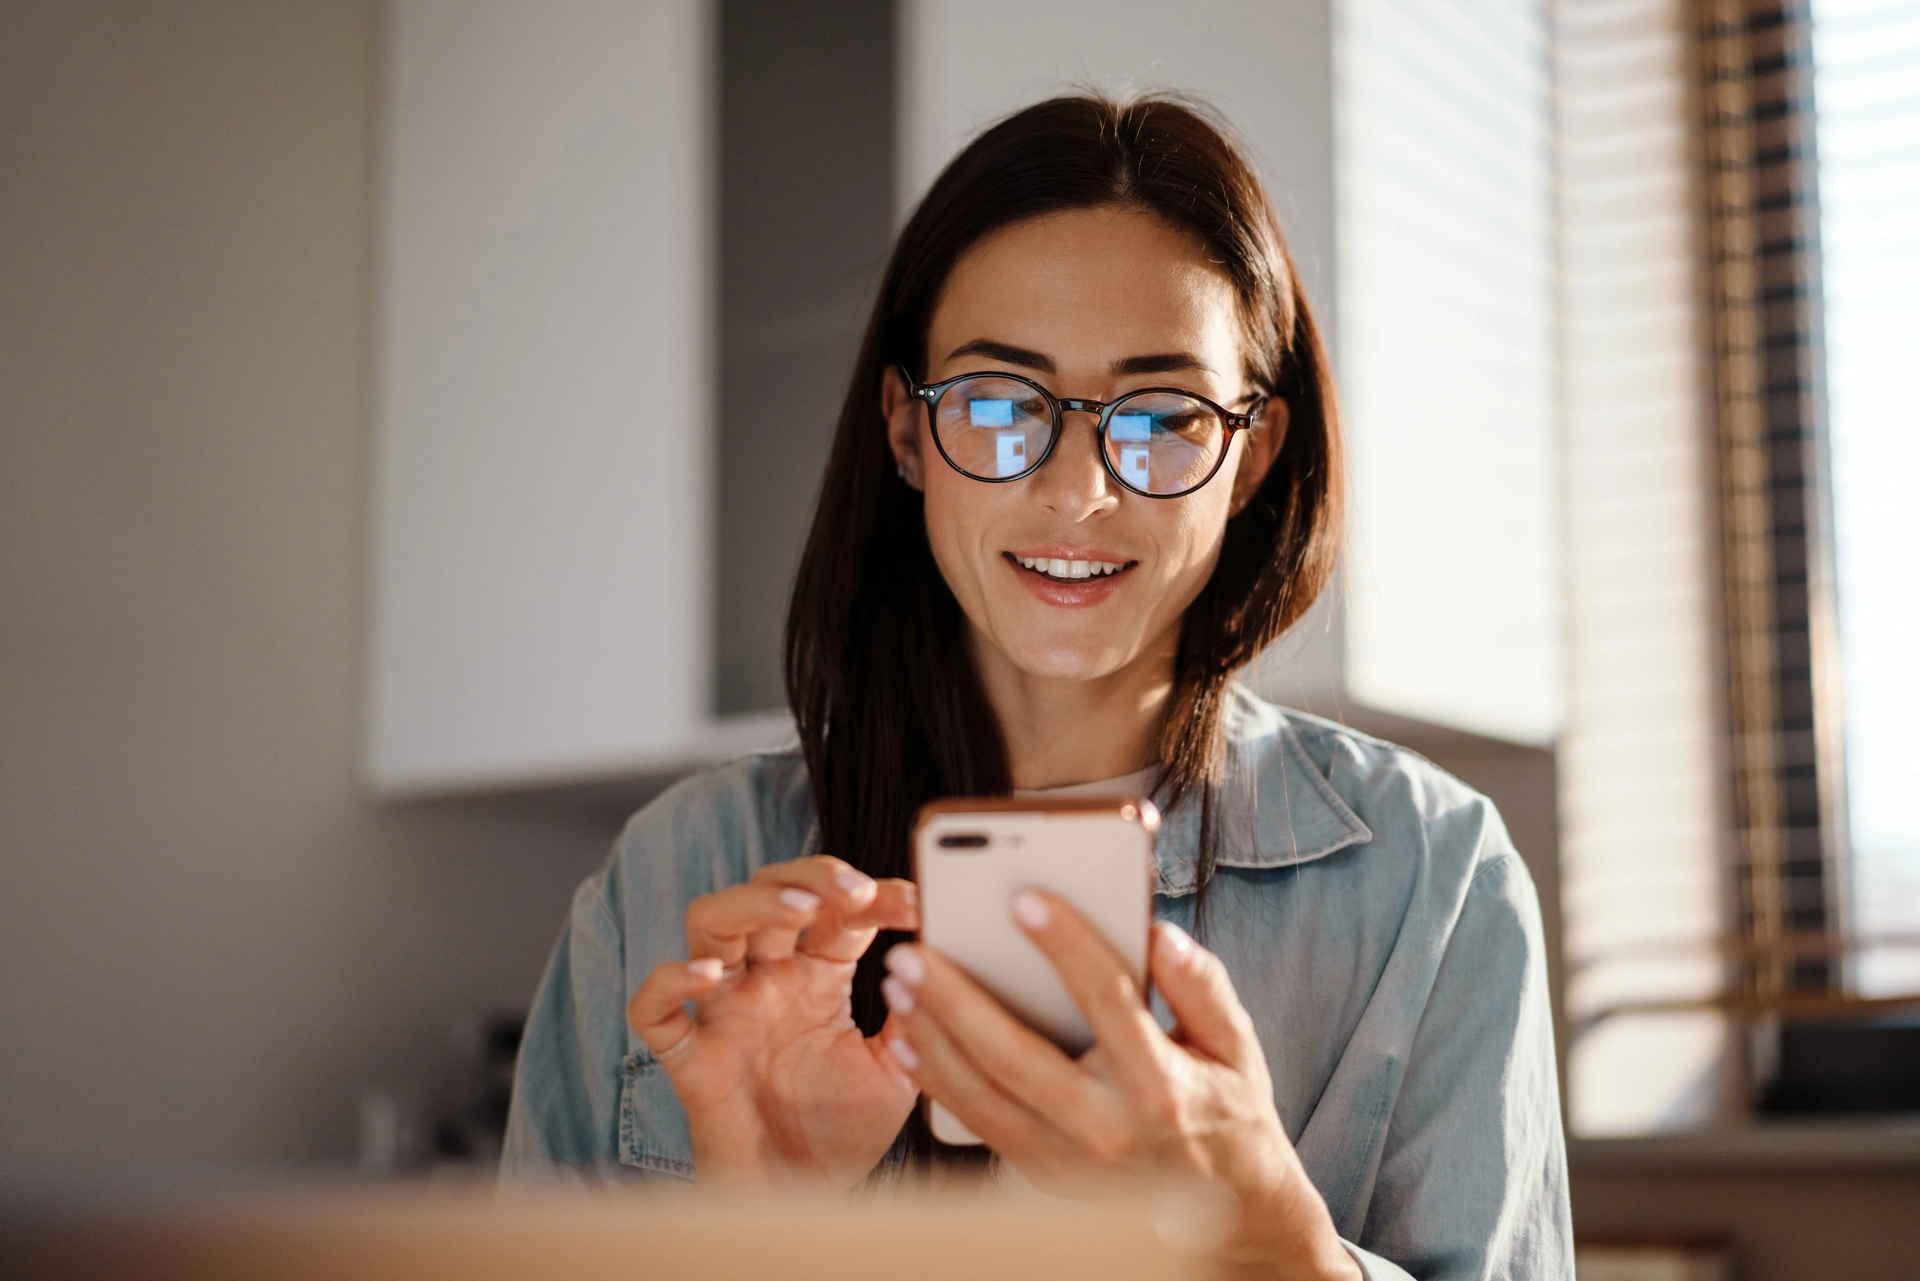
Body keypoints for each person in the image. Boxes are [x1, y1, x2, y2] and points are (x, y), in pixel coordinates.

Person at [502, 94, 1573, 1280]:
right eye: (1003, 406)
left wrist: (1283, 1249)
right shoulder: (671, 879)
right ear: (908, 435)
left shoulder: (1433, 881)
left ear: (1253, 457)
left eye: (1162, 415)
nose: (1077, 493)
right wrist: (760, 1235)